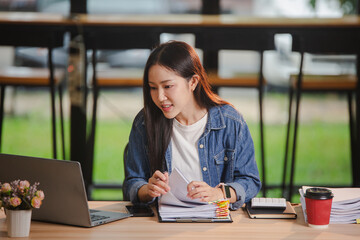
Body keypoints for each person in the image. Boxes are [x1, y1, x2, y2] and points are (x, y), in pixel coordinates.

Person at [123, 41, 261, 210]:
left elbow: (250, 181)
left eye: (167, 86)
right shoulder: (145, 122)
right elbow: (132, 182)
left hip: (215, 226)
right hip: (161, 225)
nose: (159, 97)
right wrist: (147, 190)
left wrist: (220, 193)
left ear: (193, 82)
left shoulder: (230, 122)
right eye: (152, 88)